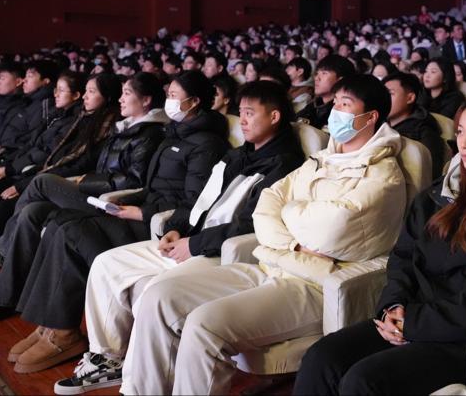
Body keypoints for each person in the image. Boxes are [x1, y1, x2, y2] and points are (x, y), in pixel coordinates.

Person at [118, 74, 407, 395]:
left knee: (204, 326)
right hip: (270, 264)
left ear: (370, 117)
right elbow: (266, 206)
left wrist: (287, 214)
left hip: (314, 282)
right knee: (159, 297)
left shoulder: (383, 175)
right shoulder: (322, 159)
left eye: (345, 104)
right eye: (335, 103)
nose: (335, 111)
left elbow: (331, 229)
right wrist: (293, 242)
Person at [54, 80, 305, 394]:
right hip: (193, 239)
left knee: (155, 294)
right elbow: (201, 200)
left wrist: (194, 244)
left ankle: (143, 387)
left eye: (250, 113)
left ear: (275, 116)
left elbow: (250, 225)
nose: (241, 120)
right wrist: (177, 228)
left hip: (224, 252)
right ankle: (108, 359)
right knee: (106, 264)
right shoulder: (239, 154)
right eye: (240, 112)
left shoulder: (285, 165)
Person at [294, 91, 466, 396]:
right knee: (321, 357)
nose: (464, 144)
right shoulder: (440, 194)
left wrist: (414, 323)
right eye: (460, 132)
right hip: (408, 314)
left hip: (459, 338)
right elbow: (403, 256)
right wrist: (393, 306)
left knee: (363, 381)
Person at [0, 71, 229, 373]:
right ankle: (49, 324)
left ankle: (64, 333)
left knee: (71, 232)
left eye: (174, 96)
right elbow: (150, 186)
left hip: (157, 227)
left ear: (194, 101)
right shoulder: (174, 134)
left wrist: (140, 212)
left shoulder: (207, 144)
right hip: (139, 211)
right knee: (57, 220)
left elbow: (193, 203)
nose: (169, 101)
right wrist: (125, 201)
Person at [0, 74, 121, 232]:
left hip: (71, 184)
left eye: (91, 91)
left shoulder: (105, 129)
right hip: (47, 174)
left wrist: (20, 181)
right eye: (86, 91)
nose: (85, 96)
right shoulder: (82, 119)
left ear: (108, 97)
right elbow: (53, 157)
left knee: (13, 206)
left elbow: (76, 166)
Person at [384, 72, 445, 176]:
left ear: (410, 98)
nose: (384, 99)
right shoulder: (377, 123)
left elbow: (430, 174)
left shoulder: (424, 131)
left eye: (390, 94)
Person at [0, 60, 60, 155]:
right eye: (26, 76)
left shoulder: (44, 105)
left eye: (30, 76)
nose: (24, 80)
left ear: (45, 82)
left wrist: (6, 151)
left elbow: (32, 141)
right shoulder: (26, 100)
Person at [297, 55, 356, 129]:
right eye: (317, 73)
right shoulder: (312, 107)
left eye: (324, 73)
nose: (316, 78)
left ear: (340, 81)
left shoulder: (345, 114)